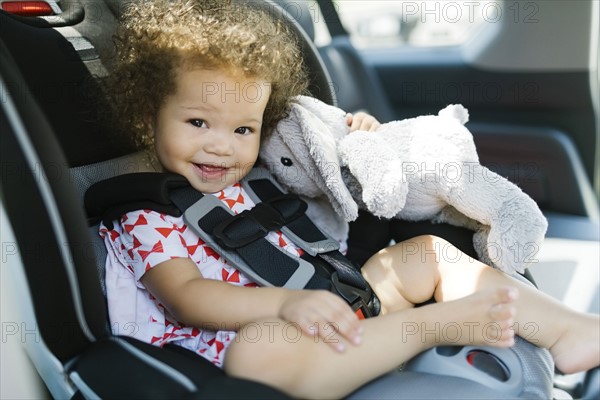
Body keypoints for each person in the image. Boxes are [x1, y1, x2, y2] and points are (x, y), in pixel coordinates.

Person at [100, 1, 599, 399]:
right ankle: (432, 325)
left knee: (424, 253)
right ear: (149, 115)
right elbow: (188, 299)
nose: (221, 145)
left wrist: (353, 137)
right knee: (255, 355)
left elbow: (330, 189)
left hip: (328, 300)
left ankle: (573, 331)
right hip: (246, 342)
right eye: (197, 123)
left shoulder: (249, 179)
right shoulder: (146, 214)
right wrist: (286, 306)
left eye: (243, 129)